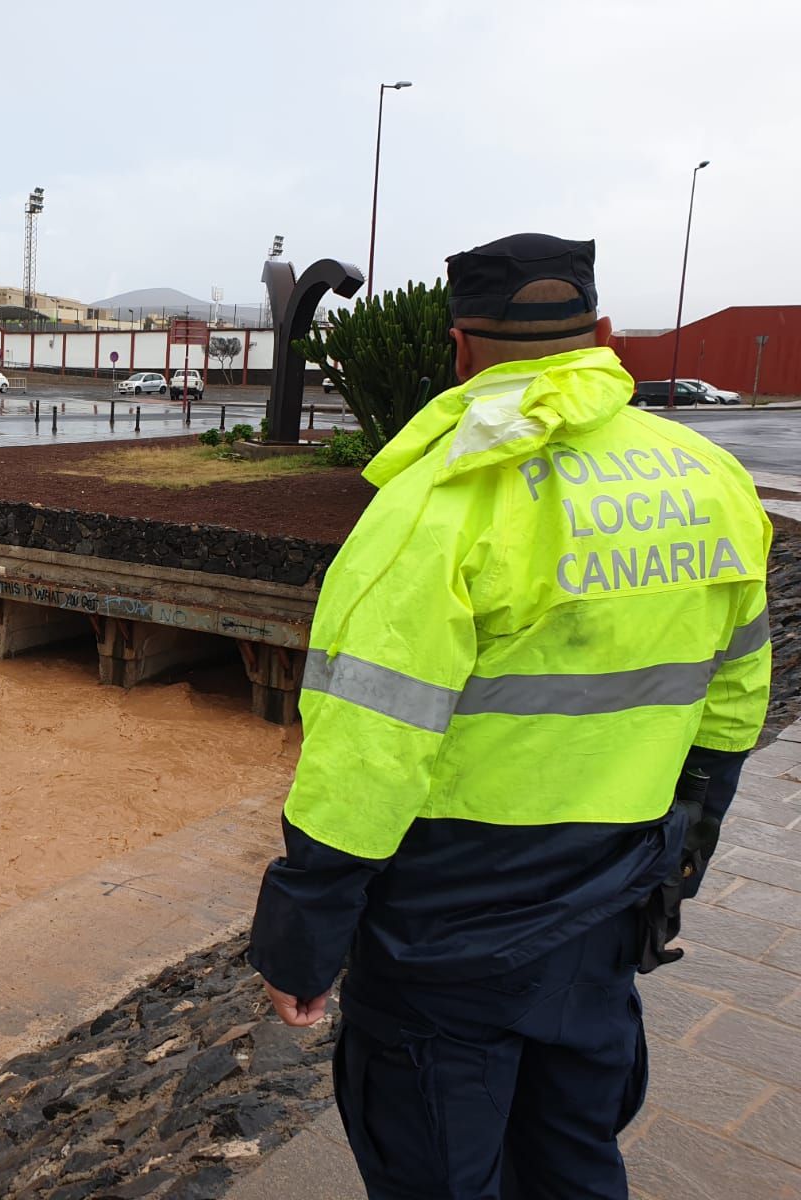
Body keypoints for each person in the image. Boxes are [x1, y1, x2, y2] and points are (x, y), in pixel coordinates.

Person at [248, 233, 771, 1199]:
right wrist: (684, 845)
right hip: (612, 905)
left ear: (458, 351)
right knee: (574, 1158)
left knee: (440, 1169)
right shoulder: (711, 480)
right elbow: (737, 696)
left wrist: (302, 936)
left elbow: (368, 752)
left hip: (449, 931)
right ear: (603, 336)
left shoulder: (439, 504)